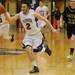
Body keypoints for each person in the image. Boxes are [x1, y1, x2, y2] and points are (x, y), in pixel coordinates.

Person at [4, 1, 56, 73]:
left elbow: (45, 19)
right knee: (28, 50)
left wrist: (52, 28)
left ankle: (45, 48)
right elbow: (10, 20)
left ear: (28, 7)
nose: (22, 8)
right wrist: (5, 12)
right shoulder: (20, 14)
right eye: (22, 7)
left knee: (35, 51)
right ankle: (35, 67)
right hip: (28, 35)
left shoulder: (33, 13)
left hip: (36, 35)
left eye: (24, 7)